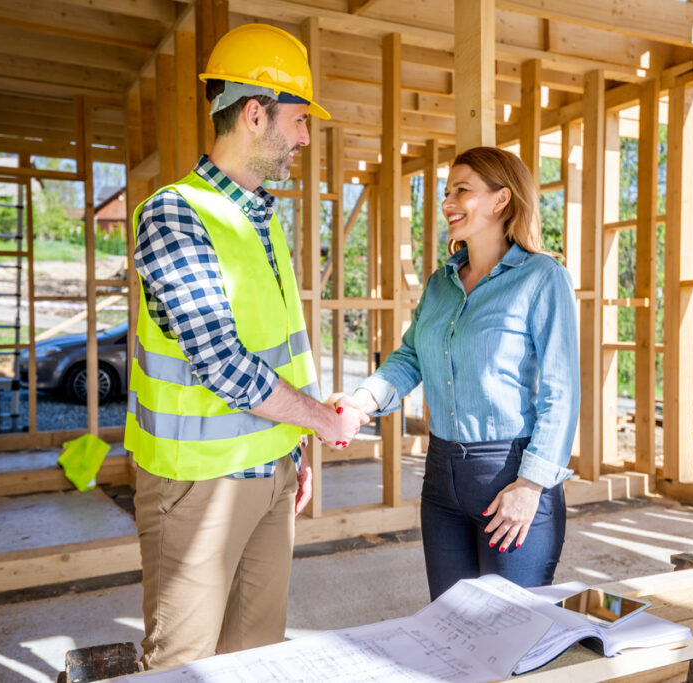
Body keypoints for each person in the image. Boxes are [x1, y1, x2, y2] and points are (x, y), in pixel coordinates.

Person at [125, 23, 366, 670]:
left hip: (272, 472)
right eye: (298, 120)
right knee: (184, 662)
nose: (306, 137)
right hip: (196, 484)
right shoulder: (176, 214)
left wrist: (300, 443)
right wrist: (326, 420)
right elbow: (225, 364)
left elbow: (280, 351)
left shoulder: (261, 218)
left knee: (256, 659)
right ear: (255, 114)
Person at [333, 146, 579, 600]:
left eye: (461, 191)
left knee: (511, 642)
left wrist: (530, 486)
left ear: (501, 200)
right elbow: (411, 357)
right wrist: (362, 400)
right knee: (451, 629)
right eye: (446, 192)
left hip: (511, 475)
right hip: (441, 478)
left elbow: (561, 391)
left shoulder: (542, 277)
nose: (447, 202)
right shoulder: (440, 283)